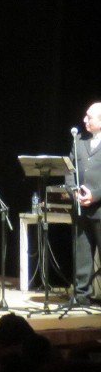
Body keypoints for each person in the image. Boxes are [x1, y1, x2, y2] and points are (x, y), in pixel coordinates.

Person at [68, 102, 101, 306]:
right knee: (82, 253)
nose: (84, 120)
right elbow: (69, 169)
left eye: (89, 117)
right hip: (80, 207)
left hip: (99, 206)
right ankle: (82, 296)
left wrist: (95, 195)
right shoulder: (78, 140)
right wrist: (74, 191)